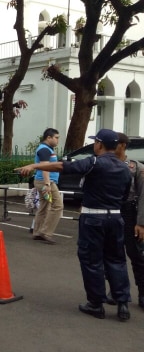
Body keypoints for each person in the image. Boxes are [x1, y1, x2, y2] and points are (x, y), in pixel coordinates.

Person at [16, 128, 132, 321]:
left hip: (93, 218)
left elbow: (62, 167)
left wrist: (34, 166)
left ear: (100, 144)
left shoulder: (94, 162)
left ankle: (96, 304)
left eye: (96, 142)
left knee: (92, 261)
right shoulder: (124, 168)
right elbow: (125, 196)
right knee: (117, 260)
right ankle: (122, 304)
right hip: (115, 218)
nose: (94, 145)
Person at [113, 133, 144, 310]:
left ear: (123, 145)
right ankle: (116, 291)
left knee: (137, 255)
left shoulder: (136, 167)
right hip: (110, 212)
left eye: (115, 143)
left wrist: (141, 223)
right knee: (112, 255)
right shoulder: (103, 164)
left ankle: (142, 291)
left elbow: (143, 196)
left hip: (130, 213)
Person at [32, 128, 63, 244]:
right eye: (56, 137)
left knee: (44, 207)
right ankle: (46, 233)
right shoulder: (44, 149)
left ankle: (38, 232)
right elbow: (45, 168)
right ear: (48, 138)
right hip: (46, 182)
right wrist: (47, 184)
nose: (58, 140)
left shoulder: (47, 149)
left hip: (43, 181)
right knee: (58, 205)